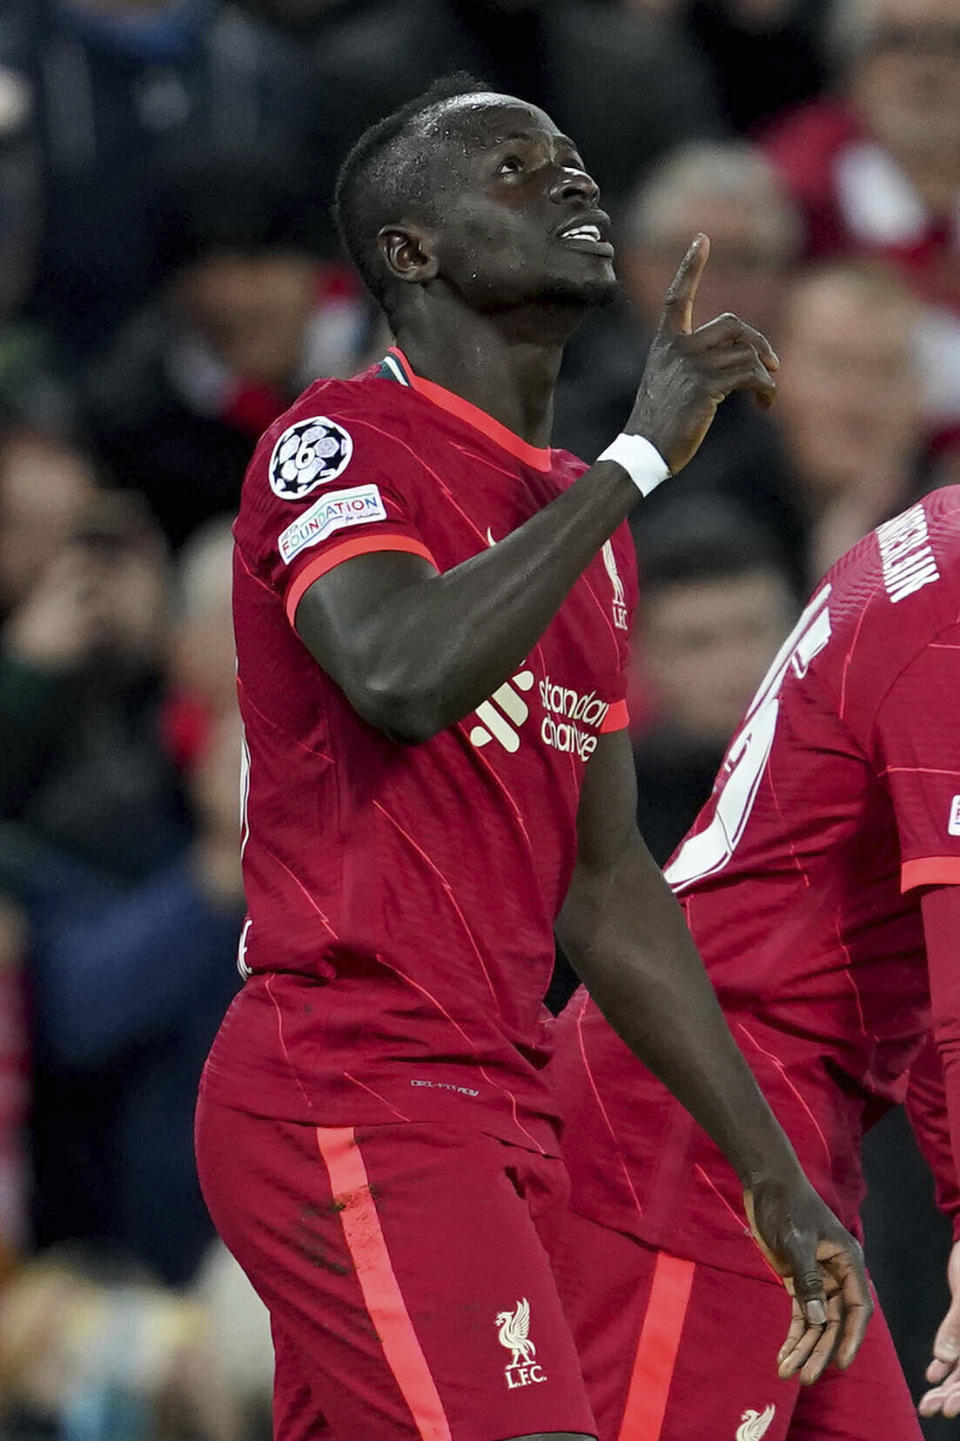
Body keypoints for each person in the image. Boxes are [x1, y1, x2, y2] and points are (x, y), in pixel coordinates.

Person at [194, 76, 870, 1441]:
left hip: (493, 1105)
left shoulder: (579, 523)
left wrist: (769, 1168)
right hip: (356, 1083)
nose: (572, 184)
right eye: (515, 170)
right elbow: (397, 671)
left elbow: (607, 882)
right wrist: (636, 457)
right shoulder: (335, 445)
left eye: (572, 162)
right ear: (411, 250)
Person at [548, 485, 960, 1440]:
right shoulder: (950, 623)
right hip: (696, 1139)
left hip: (771, 1139)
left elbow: (935, 975)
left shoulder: (929, 539)